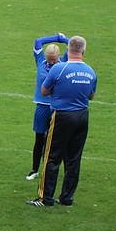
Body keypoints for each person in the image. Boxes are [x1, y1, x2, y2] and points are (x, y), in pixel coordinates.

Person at [27, 36, 97, 208]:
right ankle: (67, 198)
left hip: (62, 116)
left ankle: (45, 198)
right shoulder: (90, 71)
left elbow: (44, 91)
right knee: (74, 158)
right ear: (83, 50)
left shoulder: (59, 68)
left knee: (52, 156)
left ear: (69, 49)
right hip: (82, 116)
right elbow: (91, 95)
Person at [28, 34, 69, 180]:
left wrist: (64, 40)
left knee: (56, 140)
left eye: (54, 59)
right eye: (50, 59)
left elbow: (75, 45)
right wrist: (56, 37)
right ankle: (34, 169)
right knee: (39, 138)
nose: (52, 62)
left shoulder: (64, 62)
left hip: (57, 108)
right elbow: (38, 41)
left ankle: (52, 169)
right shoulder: (40, 61)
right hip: (41, 107)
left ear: (59, 56)